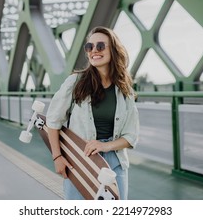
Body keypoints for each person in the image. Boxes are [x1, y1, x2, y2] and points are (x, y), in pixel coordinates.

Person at [46, 26, 140, 200]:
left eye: (100, 46)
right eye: (89, 47)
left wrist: (105, 146)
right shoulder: (75, 82)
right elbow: (53, 121)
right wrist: (57, 156)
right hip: (80, 159)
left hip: (115, 162)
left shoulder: (124, 90)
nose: (94, 51)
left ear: (113, 49)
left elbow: (131, 136)